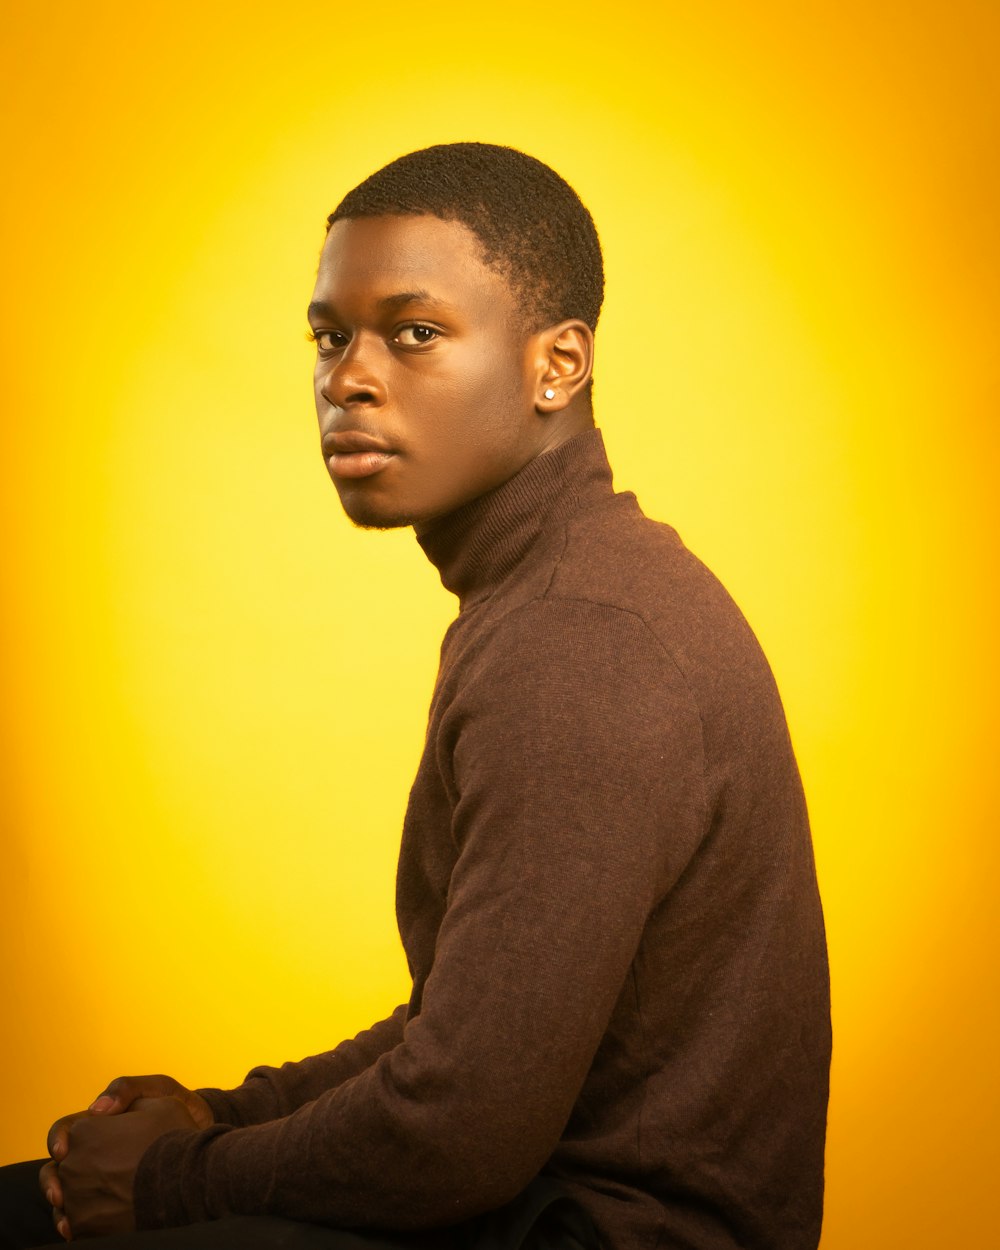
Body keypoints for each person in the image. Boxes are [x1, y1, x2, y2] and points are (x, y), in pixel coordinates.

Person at [0, 143, 831, 1249]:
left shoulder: (581, 641)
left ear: (557, 365)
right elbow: (470, 1034)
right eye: (330, 335)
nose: (348, 374)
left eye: (415, 332)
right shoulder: (558, 592)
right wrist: (222, 1115)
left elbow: (458, 1127)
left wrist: (171, 1179)